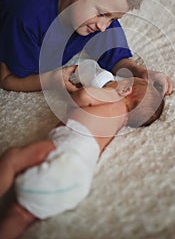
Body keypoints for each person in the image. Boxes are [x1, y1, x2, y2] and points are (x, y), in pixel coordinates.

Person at [0, 77, 164, 239]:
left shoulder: (113, 97)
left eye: (119, 80)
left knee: (12, 160)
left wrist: (106, 92)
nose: (112, 81)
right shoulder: (121, 120)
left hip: (68, 149)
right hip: (79, 180)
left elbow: (82, 97)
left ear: (126, 90)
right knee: (21, 215)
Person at [0, 0, 173, 95]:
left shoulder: (98, 22)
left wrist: (141, 72)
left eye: (113, 19)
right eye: (102, 14)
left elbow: (117, 58)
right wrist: (52, 80)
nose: (104, 26)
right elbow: (8, 79)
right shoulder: (26, 18)